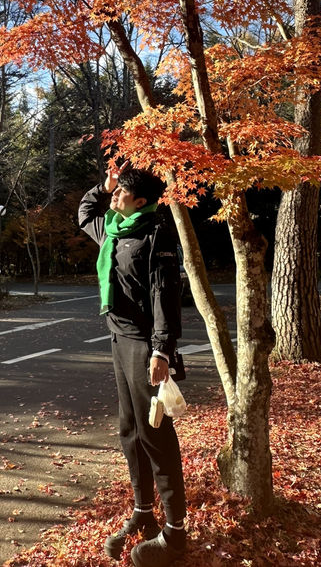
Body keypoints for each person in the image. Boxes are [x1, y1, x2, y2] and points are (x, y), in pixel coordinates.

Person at [78, 166, 187, 567]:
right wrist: (102, 186)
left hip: (145, 346)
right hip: (118, 340)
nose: (115, 195)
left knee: (155, 435)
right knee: (130, 432)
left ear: (140, 201)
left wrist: (162, 349)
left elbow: (166, 294)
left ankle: (176, 533)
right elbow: (84, 212)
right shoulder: (114, 230)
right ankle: (144, 511)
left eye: (121, 191)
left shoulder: (154, 234)